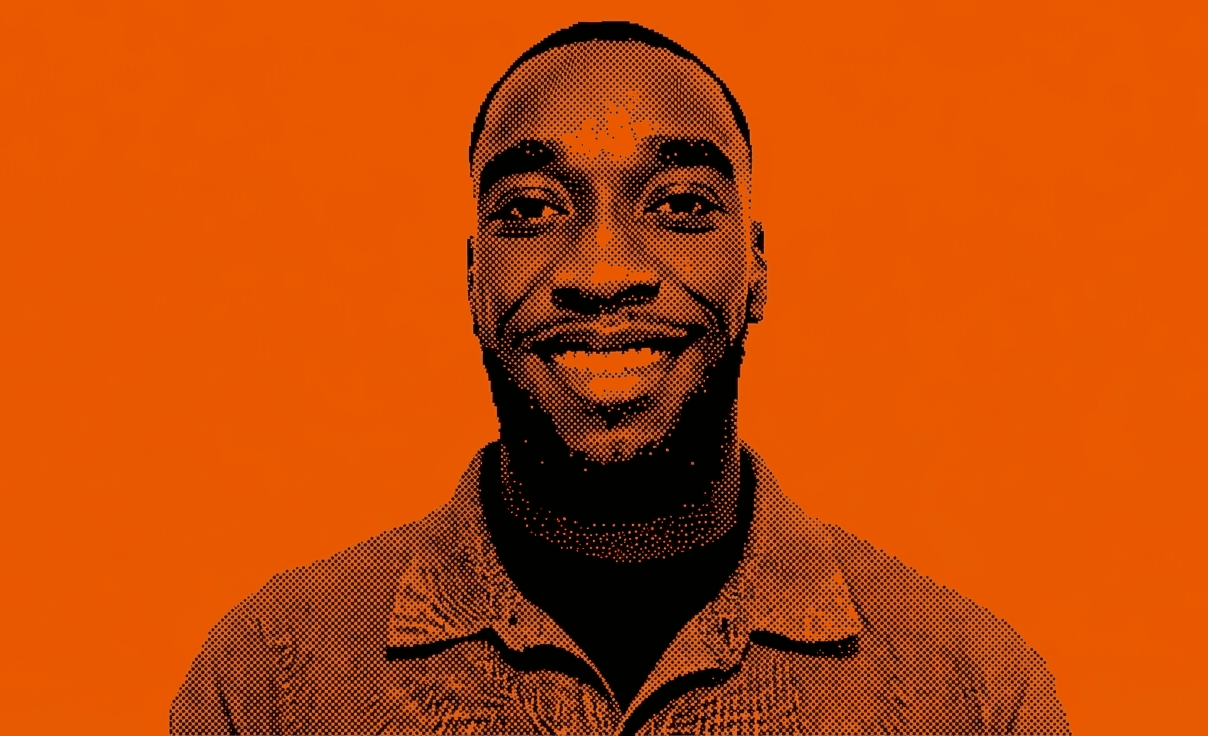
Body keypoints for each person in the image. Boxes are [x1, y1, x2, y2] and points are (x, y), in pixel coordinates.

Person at [171, 21, 1069, 735]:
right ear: (474, 279)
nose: (603, 270)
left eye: (680, 205)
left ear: (756, 266)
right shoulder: (271, 681)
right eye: (532, 209)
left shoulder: (974, 694)